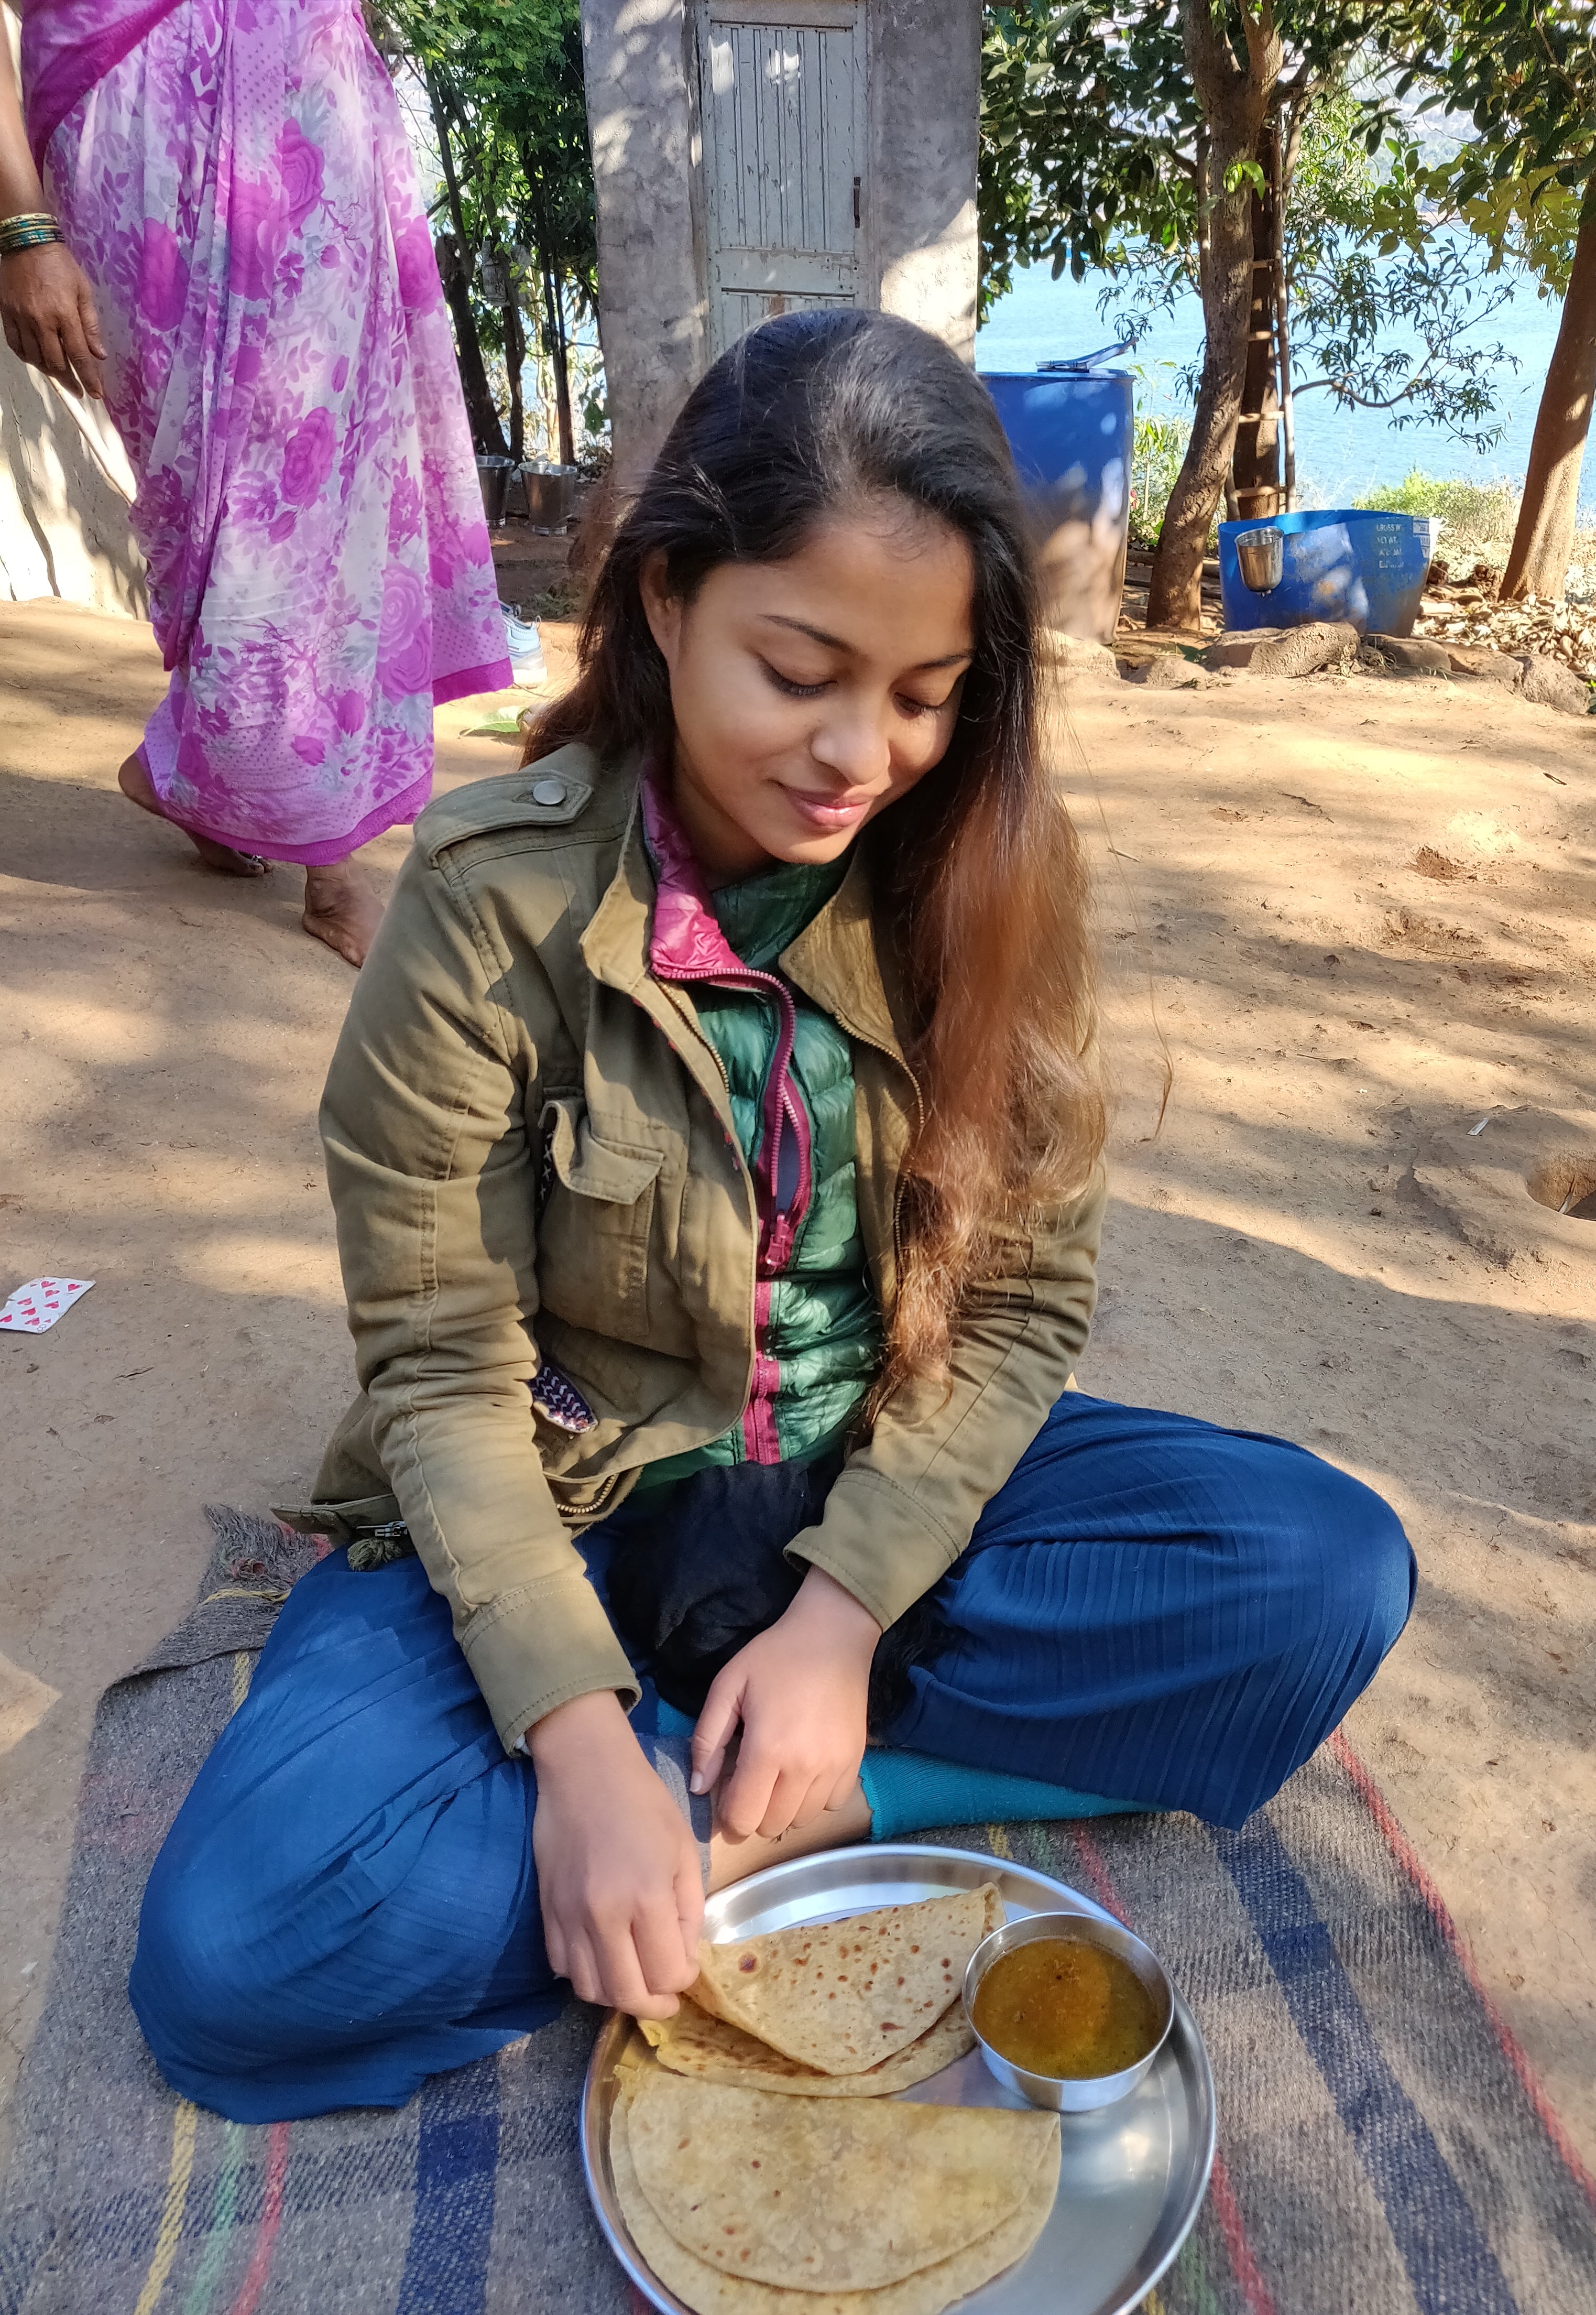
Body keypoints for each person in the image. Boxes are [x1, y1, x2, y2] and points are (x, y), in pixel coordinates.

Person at [128, 310, 1415, 2121]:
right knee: (237, 1958)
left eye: (919, 690)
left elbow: (1020, 1311)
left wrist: (833, 1622)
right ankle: (646, 1792)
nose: (855, 754)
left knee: (1319, 1570)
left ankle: (770, 1819)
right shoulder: (486, 905)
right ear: (665, 603)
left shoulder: (990, 882)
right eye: (797, 668)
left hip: (849, 1480)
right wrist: (575, 1736)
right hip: (566, 1495)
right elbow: (438, 1363)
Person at [0, 0, 510, 964]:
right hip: (133, 104)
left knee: (338, 467)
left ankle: (315, 848)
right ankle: (224, 776)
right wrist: (23, 226)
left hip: (319, 88)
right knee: (206, 495)